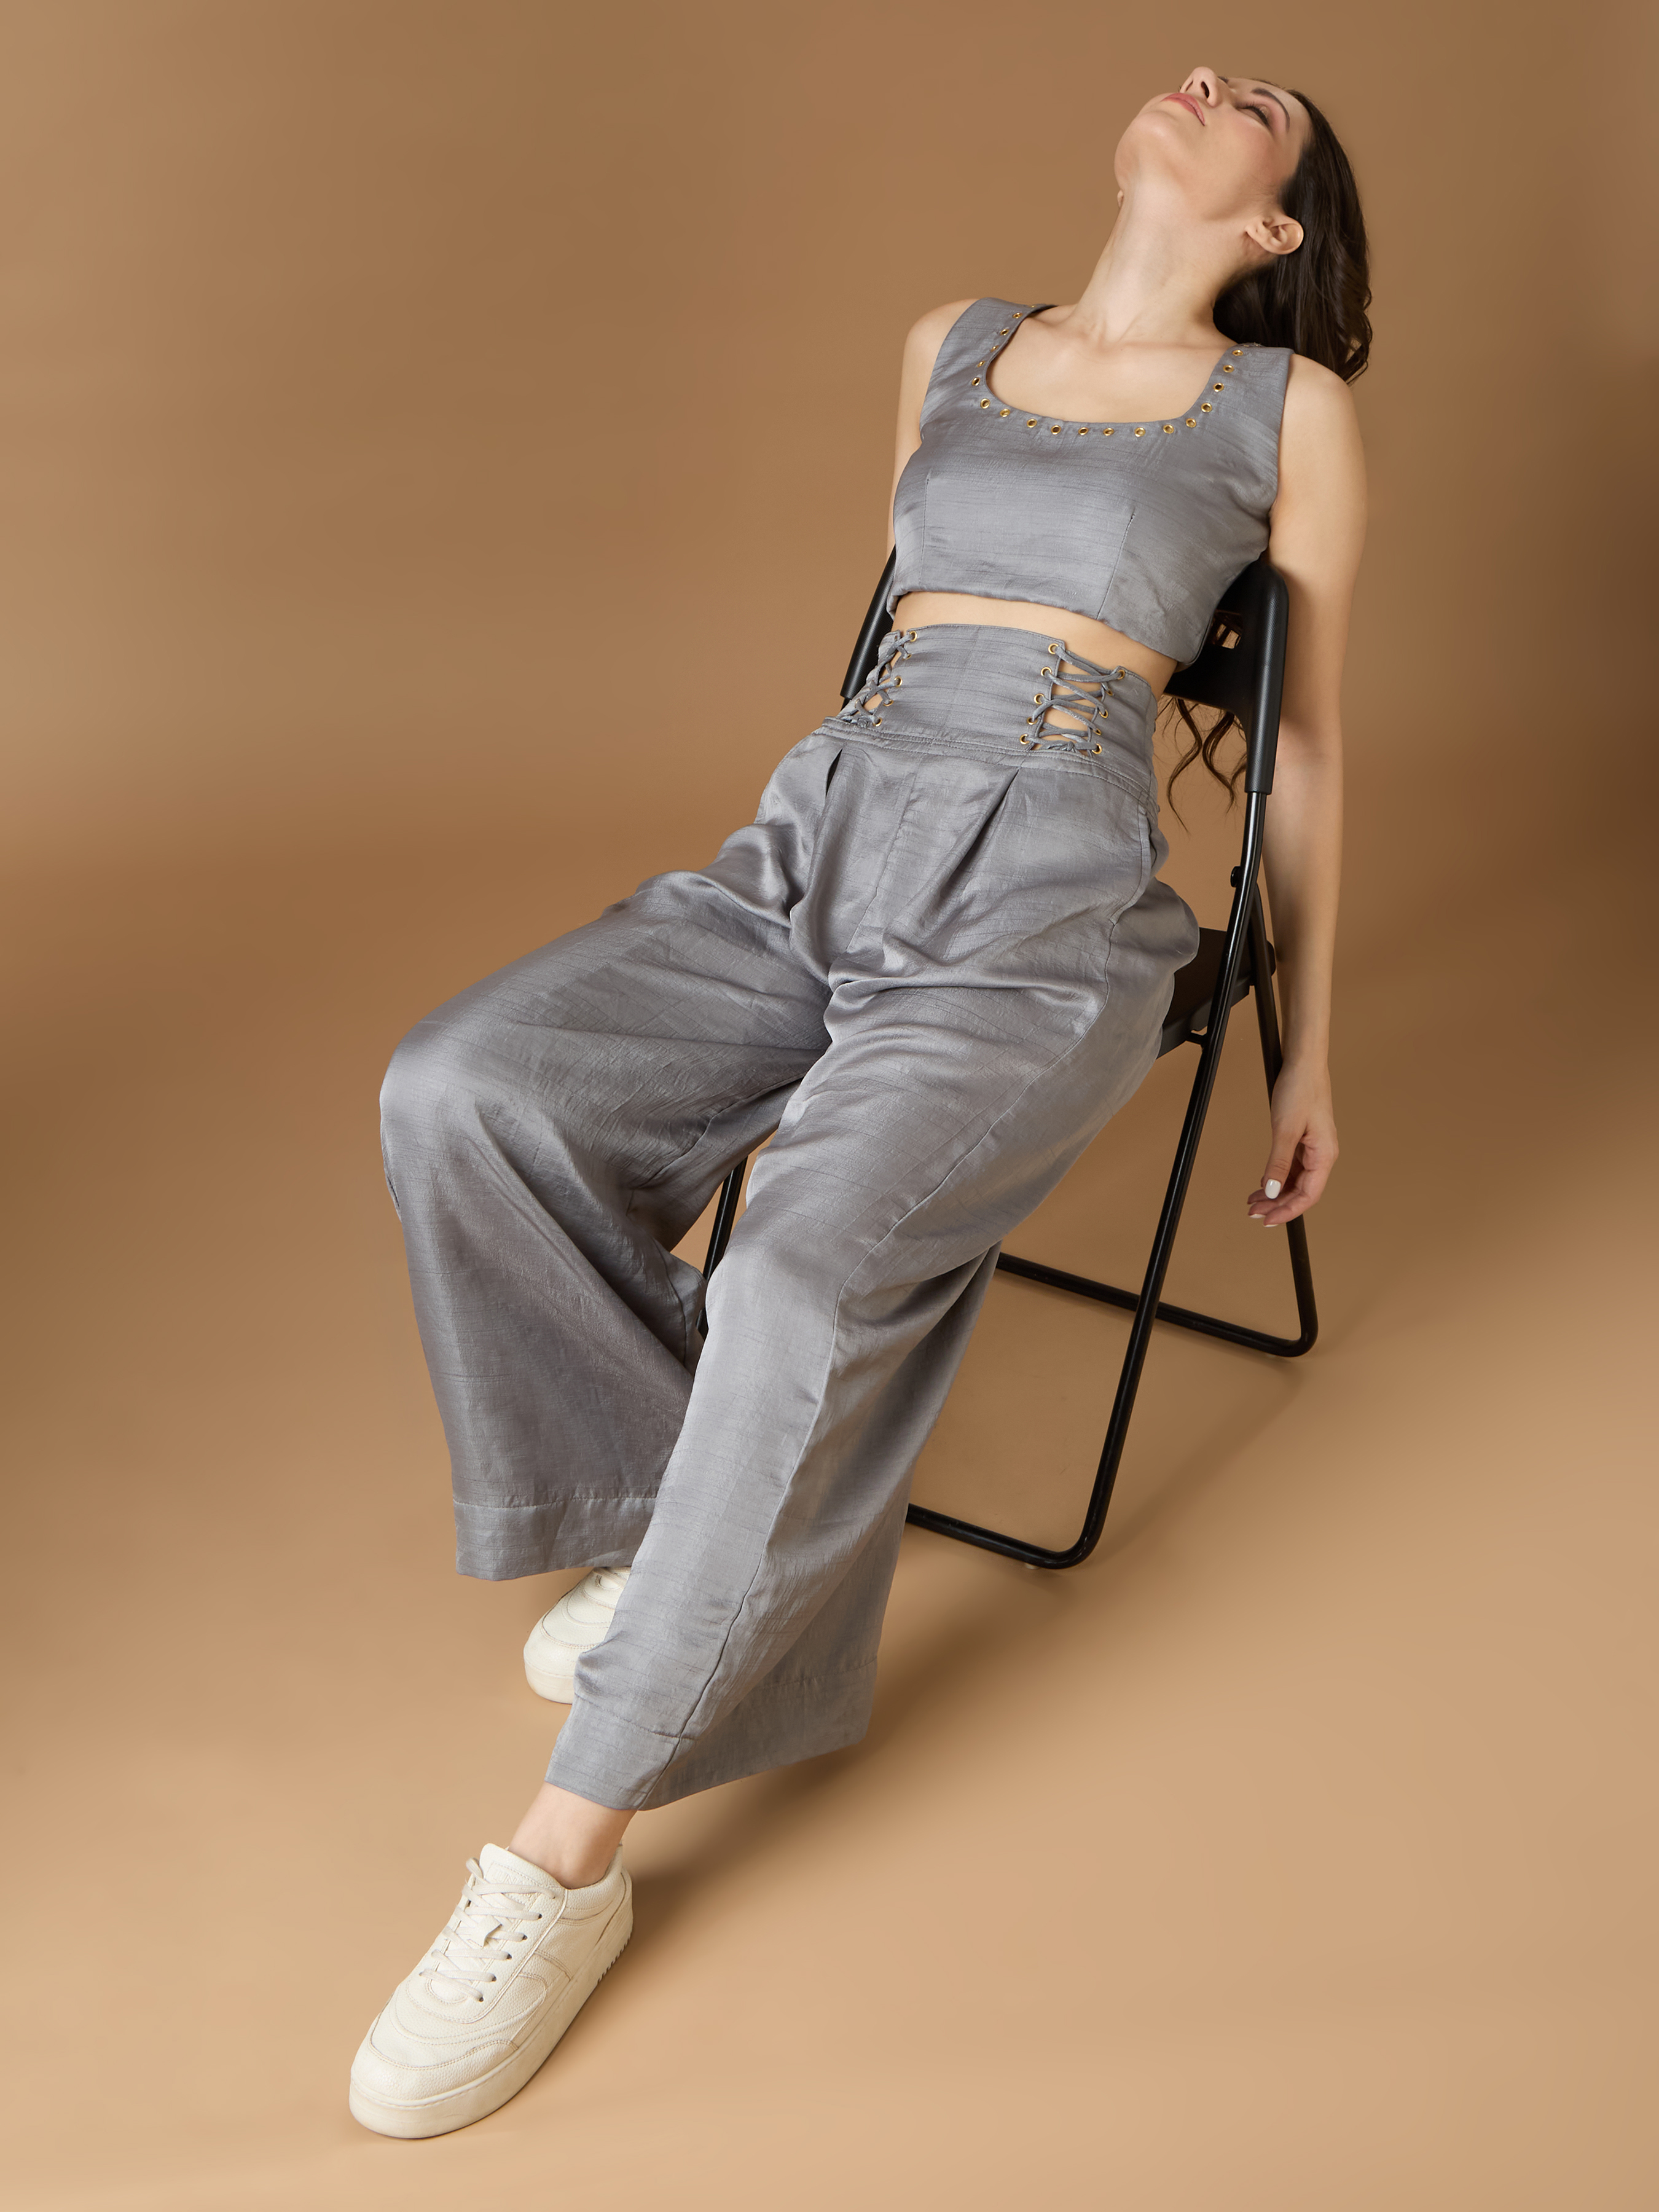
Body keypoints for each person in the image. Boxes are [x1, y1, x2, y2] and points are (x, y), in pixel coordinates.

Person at [349, 63, 1369, 2138]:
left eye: (1253, 99)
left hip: (1051, 894)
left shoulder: (1289, 412)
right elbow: (907, 628)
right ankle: (679, 1514)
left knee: (803, 1272)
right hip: (823, 829)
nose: (1202, 77)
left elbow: (1304, 748)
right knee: (461, 1089)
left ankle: (560, 1865)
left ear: (1274, 226)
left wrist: (1302, 1045)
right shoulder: (953, 343)